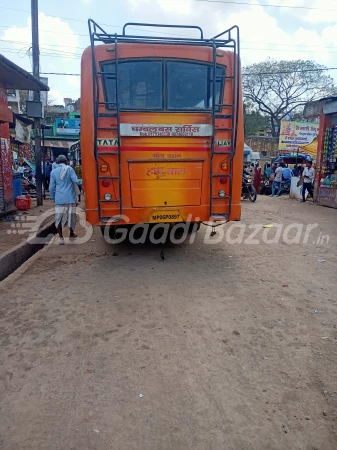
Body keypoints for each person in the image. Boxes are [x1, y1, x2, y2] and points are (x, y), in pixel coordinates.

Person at [49, 154, 81, 244]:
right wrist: (84, 181)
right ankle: (71, 233)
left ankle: (61, 238)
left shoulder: (53, 172)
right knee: (71, 217)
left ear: (57, 162)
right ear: (66, 161)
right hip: (70, 198)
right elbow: (76, 180)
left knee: (58, 218)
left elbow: (51, 187)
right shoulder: (69, 169)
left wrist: (53, 197)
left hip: (59, 198)